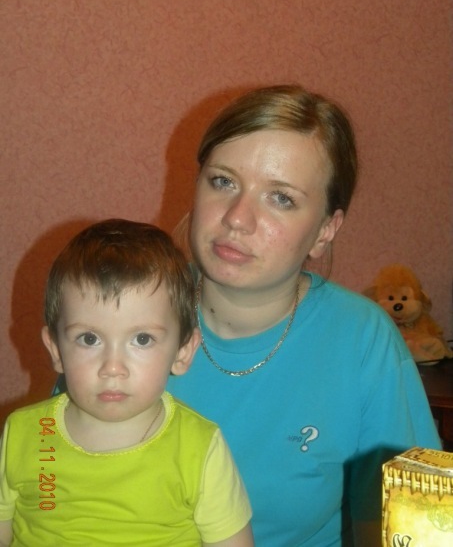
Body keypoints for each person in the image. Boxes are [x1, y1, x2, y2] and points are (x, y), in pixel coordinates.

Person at [163, 85, 442, 547]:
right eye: (223, 181)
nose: (237, 218)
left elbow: (422, 530)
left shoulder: (363, 340)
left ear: (325, 230)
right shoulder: (122, 310)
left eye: (281, 198)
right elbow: (57, 488)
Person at [0, 219, 253, 547]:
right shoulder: (22, 434)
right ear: (56, 350)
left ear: (183, 352)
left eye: (142, 339)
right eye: (89, 339)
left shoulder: (200, 449)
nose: (112, 368)